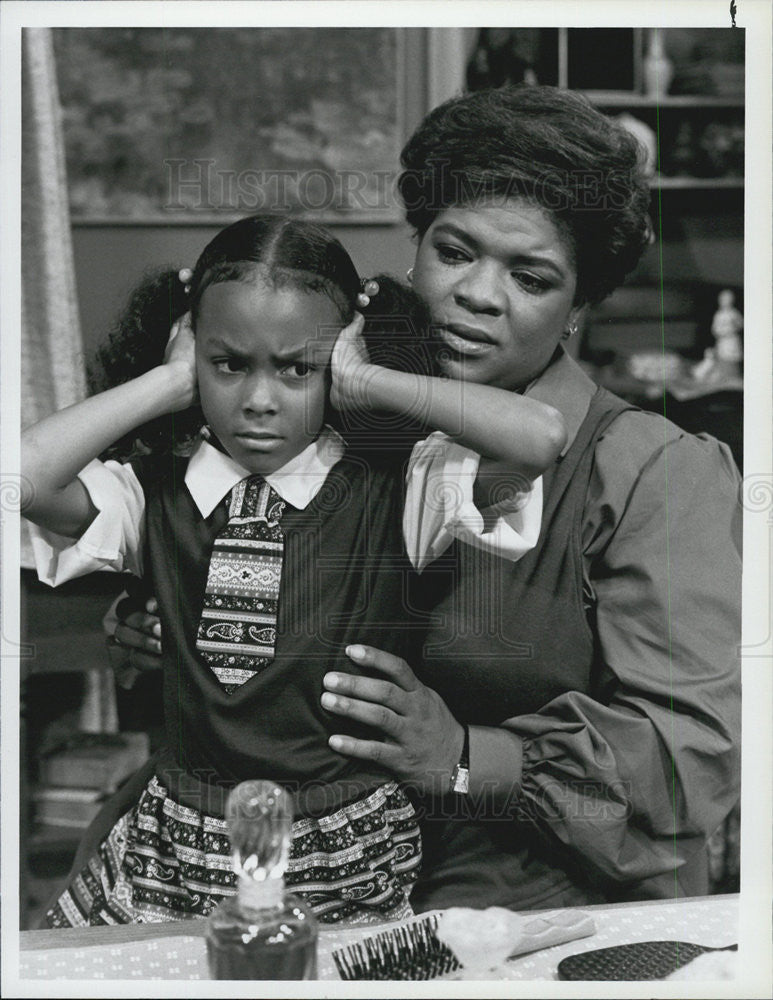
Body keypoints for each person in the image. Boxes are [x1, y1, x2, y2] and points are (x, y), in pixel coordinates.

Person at [112, 85, 743, 911]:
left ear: (580, 307)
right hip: (313, 850)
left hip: (535, 877)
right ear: (415, 252)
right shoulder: (321, 412)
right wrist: (169, 614)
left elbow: (688, 762)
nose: (479, 294)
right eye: (454, 252)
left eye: (530, 275)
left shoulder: (655, 473)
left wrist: (462, 754)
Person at [22, 213, 566, 927]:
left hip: (344, 843)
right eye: (227, 364)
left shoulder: (401, 492)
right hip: (174, 841)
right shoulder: (149, 494)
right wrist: (164, 382)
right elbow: (22, 479)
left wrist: (370, 378)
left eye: (298, 368)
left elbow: (539, 437)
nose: (258, 399)